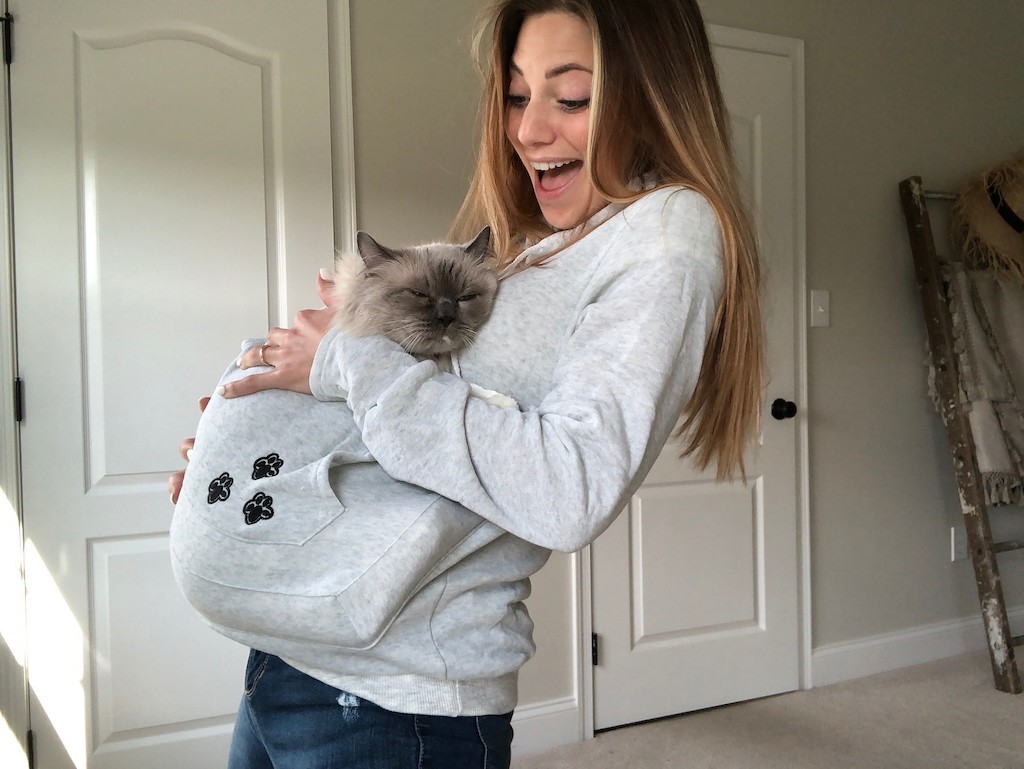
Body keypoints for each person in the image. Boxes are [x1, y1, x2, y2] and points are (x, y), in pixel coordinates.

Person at [169, 0, 764, 766]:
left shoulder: (667, 235)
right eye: (517, 95)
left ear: (654, 93)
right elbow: (417, 444)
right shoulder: (555, 241)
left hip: (396, 703)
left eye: (571, 96)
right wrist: (254, 456)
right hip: (293, 665)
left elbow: (569, 485)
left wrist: (344, 358)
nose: (527, 129)